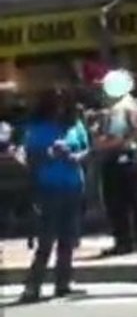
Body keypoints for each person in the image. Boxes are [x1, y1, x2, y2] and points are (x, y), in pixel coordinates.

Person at [18, 88, 91, 303]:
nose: (60, 108)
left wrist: (75, 156)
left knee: (68, 238)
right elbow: (31, 158)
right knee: (46, 239)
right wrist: (51, 153)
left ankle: (63, 283)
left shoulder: (75, 125)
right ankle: (33, 286)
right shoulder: (38, 128)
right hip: (49, 188)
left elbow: (87, 150)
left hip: (73, 186)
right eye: (56, 103)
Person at [96, 75, 137, 255]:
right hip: (135, 156)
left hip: (118, 159)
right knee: (136, 200)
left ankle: (124, 242)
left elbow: (116, 138)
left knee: (118, 204)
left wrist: (98, 144)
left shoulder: (118, 109)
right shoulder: (133, 104)